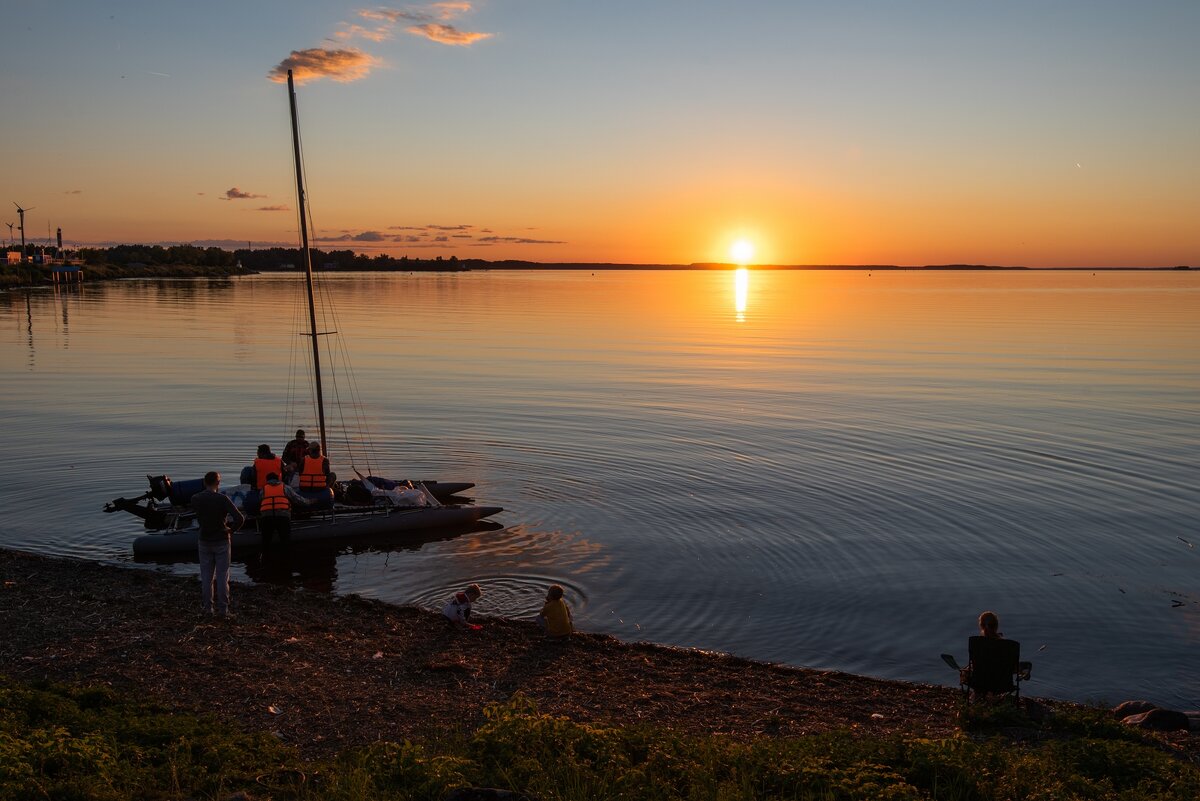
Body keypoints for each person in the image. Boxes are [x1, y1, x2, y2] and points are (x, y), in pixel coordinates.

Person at [190, 471, 245, 618]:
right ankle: (223, 611)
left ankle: (208, 609)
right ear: (218, 483)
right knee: (222, 576)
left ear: (204, 482)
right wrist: (230, 531)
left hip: (204, 540)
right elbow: (240, 519)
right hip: (221, 540)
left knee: (206, 577)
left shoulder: (195, 498)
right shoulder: (223, 499)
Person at [257, 472, 306, 547]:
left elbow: (260, 500)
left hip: (266, 517)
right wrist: (309, 501)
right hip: (283, 516)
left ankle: (265, 556)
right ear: (278, 479)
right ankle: (285, 556)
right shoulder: (285, 487)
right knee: (285, 541)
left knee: (266, 542)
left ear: (267, 480)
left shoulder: (263, 489)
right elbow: (297, 499)